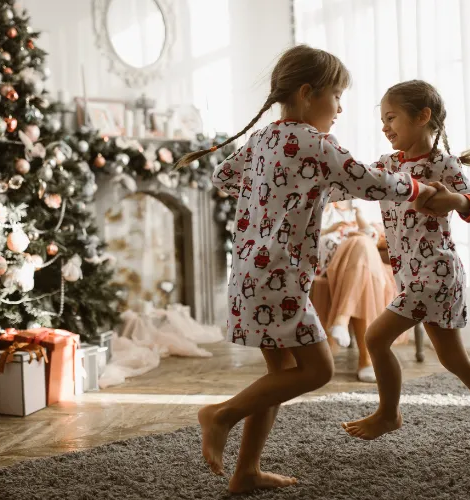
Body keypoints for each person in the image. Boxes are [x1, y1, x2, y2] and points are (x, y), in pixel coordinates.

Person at [174, 46, 437, 493]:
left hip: (248, 276)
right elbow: (373, 183)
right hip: (281, 276)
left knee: (280, 377)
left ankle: (247, 472)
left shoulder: (262, 140)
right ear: (308, 92)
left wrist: (292, 187)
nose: (340, 108)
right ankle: (220, 415)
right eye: (336, 96)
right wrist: (418, 185)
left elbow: (222, 177)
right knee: (317, 369)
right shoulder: (316, 143)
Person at [341, 80, 470, 456]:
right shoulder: (387, 165)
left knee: (375, 338)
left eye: (391, 117)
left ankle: (388, 413)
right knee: (455, 360)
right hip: (413, 277)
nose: (384, 126)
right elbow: (355, 181)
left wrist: (455, 200)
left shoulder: (443, 165)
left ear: (423, 116)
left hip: (436, 275)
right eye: (382, 119)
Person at [314, 200, 398, 382]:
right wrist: (333, 229)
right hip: (333, 266)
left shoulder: (363, 210)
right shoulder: (322, 209)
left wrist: (359, 219)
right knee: (361, 252)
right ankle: (366, 361)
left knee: (362, 243)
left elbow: (374, 237)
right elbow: (305, 238)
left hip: (371, 267)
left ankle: (341, 319)